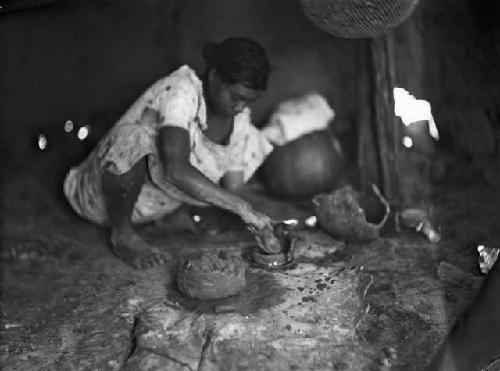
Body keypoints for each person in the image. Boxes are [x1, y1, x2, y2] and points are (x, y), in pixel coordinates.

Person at [64, 37, 279, 269]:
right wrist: (241, 207)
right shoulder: (182, 91)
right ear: (215, 75)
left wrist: (260, 221)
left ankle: (168, 217)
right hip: (98, 200)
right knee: (132, 139)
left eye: (248, 101)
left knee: (238, 152)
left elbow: (233, 187)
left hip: (155, 209)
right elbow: (176, 169)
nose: (240, 108)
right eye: (236, 97)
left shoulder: (240, 122)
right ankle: (123, 235)